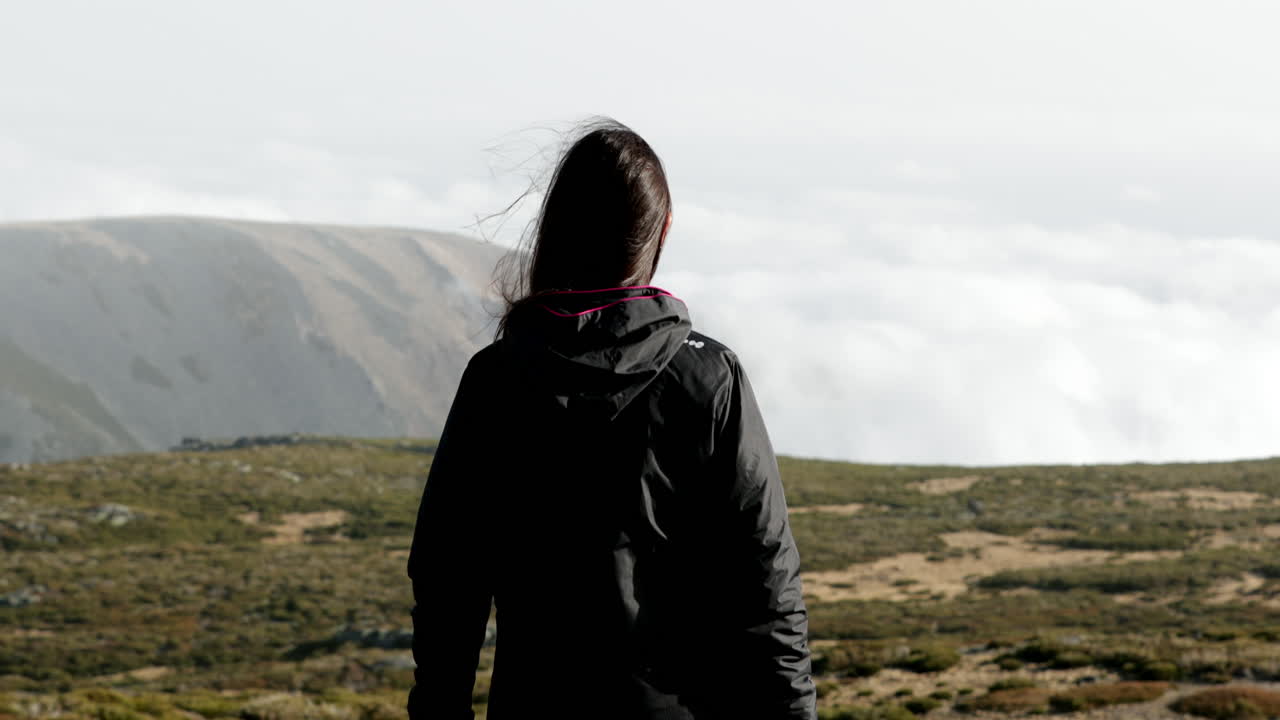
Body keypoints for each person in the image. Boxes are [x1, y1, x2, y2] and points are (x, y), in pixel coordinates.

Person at [407, 118, 816, 719]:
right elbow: (766, 588)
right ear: (663, 230)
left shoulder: (496, 379)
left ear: (558, 228)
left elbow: (449, 583)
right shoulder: (710, 379)